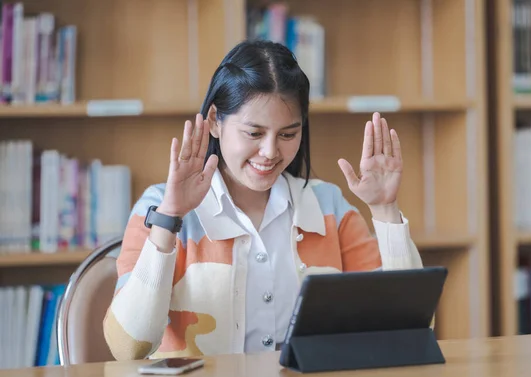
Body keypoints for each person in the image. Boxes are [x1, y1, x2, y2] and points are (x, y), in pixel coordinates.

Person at [103, 40, 423, 360]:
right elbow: (129, 347)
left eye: (287, 134)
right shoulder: (159, 206)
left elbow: (408, 326)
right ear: (215, 120)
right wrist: (170, 217)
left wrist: (385, 210)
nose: (270, 152)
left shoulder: (328, 206)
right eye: (254, 133)